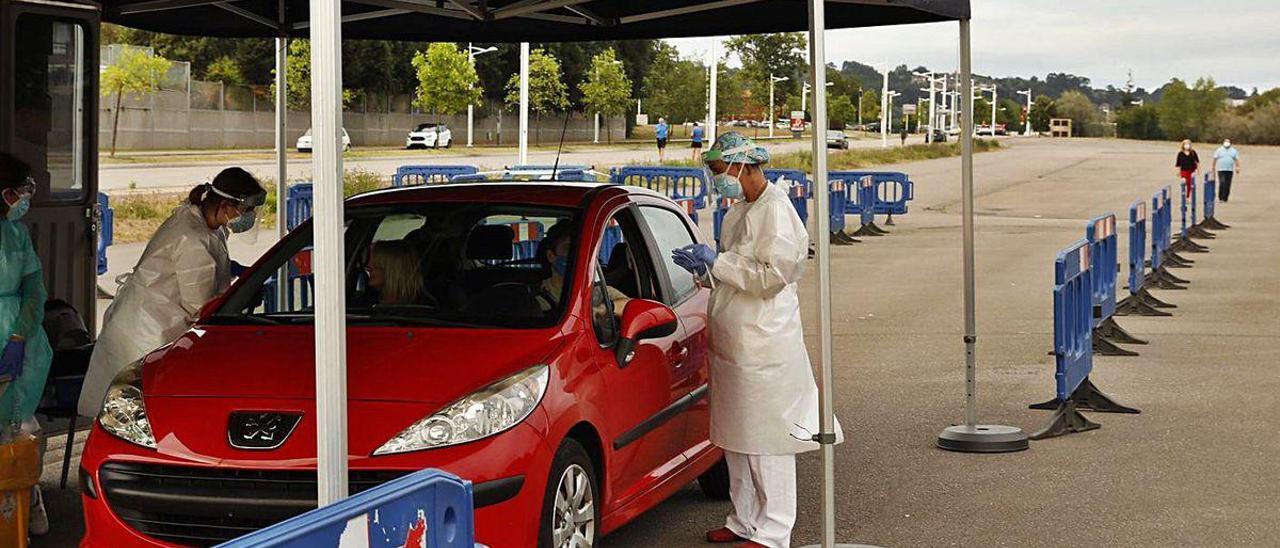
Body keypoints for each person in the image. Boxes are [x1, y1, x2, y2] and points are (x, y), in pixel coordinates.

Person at [671, 132, 840, 548]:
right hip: (733, 340)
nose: (716, 179)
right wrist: (706, 269)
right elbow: (731, 273)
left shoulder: (777, 211)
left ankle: (774, 530)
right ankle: (743, 520)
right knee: (736, 437)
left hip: (765, 343)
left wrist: (720, 262)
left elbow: (771, 277)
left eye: (717, 170)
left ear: (741, 166)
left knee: (767, 439)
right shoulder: (739, 211)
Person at [79, 168, 266, 417]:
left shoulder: (207, 223)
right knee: (133, 414)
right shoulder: (191, 237)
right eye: (246, 209)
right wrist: (241, 295)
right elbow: (201, 307)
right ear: (225, 204)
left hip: (155, 322)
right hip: (148, 331)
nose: (249, 216)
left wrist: (231, 269)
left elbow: (205, 265)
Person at [0, 153, 53, 536]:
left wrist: (18, 334)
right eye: (21, 190)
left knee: (20, 429)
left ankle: (22, 504)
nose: (25, 197)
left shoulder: (16, 232)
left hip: (22, 339)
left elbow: (34, 286)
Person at [535, 221, 627, 315]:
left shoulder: (596, 291)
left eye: (578, 249)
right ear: (550, 256)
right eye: (568, 248)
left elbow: (629, 305)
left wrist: (605, 308)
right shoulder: (535, 294)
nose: (574, 254)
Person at [365, 240, 422, 305]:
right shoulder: (368, 299)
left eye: (376, 264)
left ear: (394, 268)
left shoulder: (422, 308)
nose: (368, 267)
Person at [1212, 138, 1241, 202]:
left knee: (1228, 184)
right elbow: (1215, 158)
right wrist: (1213, 167)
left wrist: (1237, 167)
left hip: (1229, 170)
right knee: (1222, 182)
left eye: (1228, 142)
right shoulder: (1219, 150)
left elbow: (1236, 159)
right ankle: (1221, 197)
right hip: (1221, 169)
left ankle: (1225, 197)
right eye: (1226, 142)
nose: (1227, 143)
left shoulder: (1233, 151)